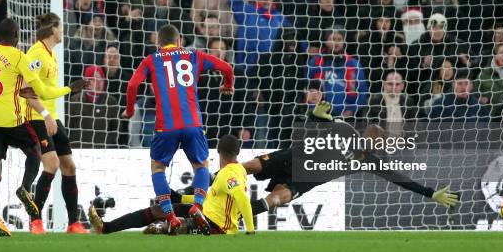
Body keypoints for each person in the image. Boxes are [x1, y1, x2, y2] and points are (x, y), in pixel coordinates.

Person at [170, 103, 459, 218]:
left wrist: (431, 193)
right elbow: (313, 123)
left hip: (302, 180)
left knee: (277, 199)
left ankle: (228, 215)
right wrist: (314, 115)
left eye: (377, 138)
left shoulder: (367, 162)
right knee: (244, 167)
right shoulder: (344, 128)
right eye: (372, 132)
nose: (372, 137)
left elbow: (400, 179)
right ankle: (186, 197)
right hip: (289, 157)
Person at [122, 24, 235, 234]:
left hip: (166, 127)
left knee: (158, 169)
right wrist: (228, 85)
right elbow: (227, 68)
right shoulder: (194, 55)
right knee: (201, 166)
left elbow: (131, 85)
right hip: (193, 124)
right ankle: (198, 206)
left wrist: (129, 111)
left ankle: (171, 217)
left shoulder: (152, 59)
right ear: (179, 41)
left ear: (158, 43)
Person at [0, 18, 76, 236]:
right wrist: (68, 89)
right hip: (10, 119)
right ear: (17, 36)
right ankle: (25, 188)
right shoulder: (21, 57)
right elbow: (41, 92)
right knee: (34, 150)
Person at [89, 135, 254, 235]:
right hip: (207, 213)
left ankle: (166, 228)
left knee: (177, 224)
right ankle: (106, 227)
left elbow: (242, 198)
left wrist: (250, 229)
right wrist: (181, 197)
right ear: (238, 152)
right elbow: (215, 198)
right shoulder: (238, 170)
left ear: (218, 151)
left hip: (217, 226)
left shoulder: (227, 173)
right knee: (159, 210)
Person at [19, 13, 89, 234]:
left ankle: (73, 223)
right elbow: (26, 92)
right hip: (38, 117)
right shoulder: (36, 54)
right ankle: (36, 220)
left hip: (52, 116)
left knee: (69, 165)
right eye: (60, 27)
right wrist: (49, 111)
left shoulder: (50, 53)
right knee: (51, 164)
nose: (63, 31)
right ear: (53, 30)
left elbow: (47, 90)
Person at [308, 29, 368, 120]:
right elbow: (307, 90)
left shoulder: (354, 64)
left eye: (339, 39)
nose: (336, 42)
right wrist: (314, 110)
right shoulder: (315, 63)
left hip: (346, 118)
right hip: (319, 116)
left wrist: (352, 110)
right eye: (332, 39)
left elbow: (363, 92)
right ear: (326, 42)